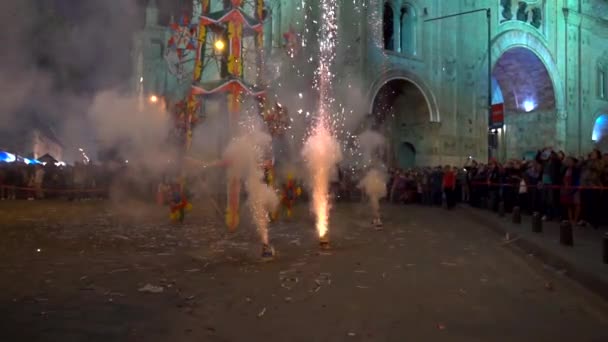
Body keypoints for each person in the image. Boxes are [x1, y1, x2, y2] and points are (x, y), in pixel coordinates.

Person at [560, 157, 581, 226]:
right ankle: (570, 219)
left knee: (577, 204)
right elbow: (562, 177)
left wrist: (574, 187)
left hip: (575, 188)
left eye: (570, 161)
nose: (568, 162)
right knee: (568, 204)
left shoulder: (577, 169)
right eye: (567, 161)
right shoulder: (565, 169)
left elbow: (578, 179)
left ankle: (575, 220)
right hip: (566, 188)